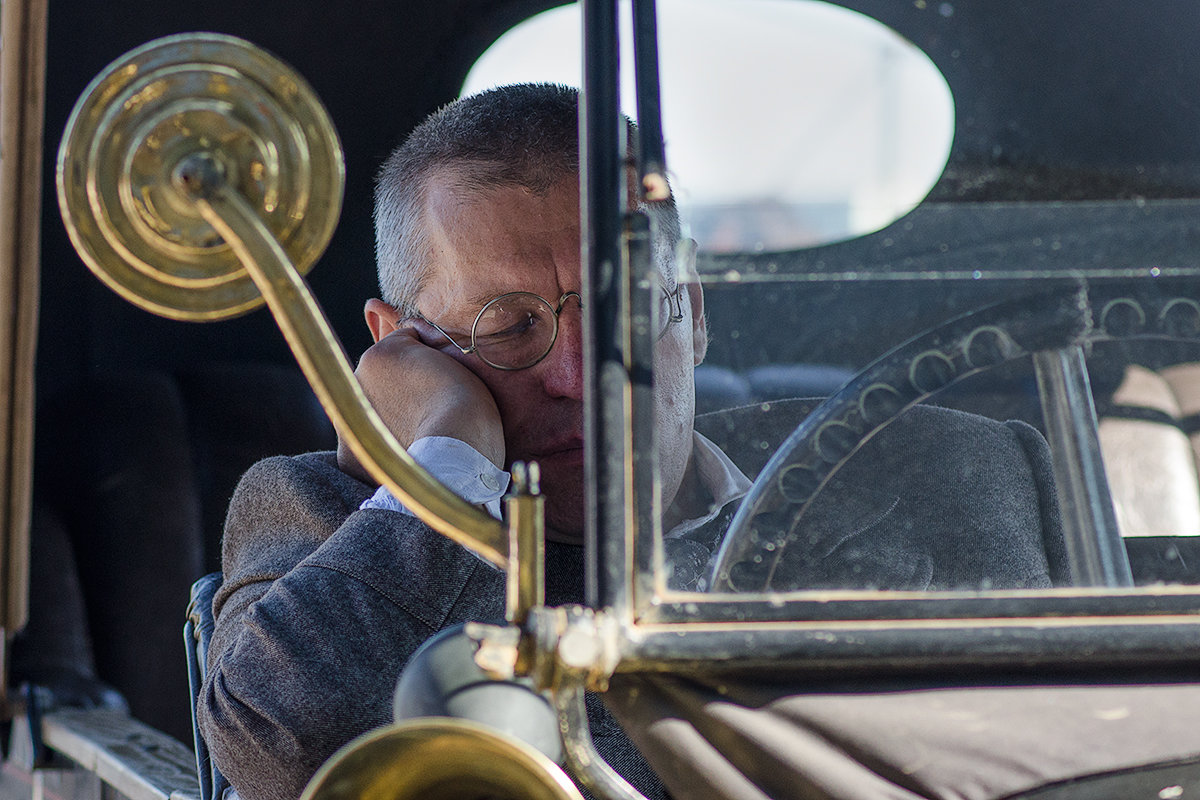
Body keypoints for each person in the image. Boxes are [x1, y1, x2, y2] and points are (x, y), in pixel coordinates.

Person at [198, 83, 1064, 800]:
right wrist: (444, 457)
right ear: (400, 345)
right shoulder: (328, 522)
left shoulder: (937, 475)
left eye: (628, 309)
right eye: (509, 326)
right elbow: (280, 751)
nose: (582, 377)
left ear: (692, 307)